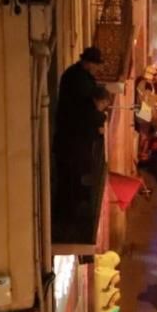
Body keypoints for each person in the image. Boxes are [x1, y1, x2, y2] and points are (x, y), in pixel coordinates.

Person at [52, 47, 107, 238]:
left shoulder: (76, 76)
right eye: (97, 65)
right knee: (70, 180)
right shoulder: (79, 81)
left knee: (70, 179)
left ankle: (68, 214)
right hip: (72, 142)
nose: (98, 70)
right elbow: (84, 112)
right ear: (89, 63)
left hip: (70, 141)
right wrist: (99, 116)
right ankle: (67, 217)